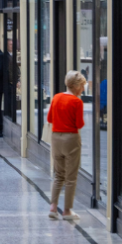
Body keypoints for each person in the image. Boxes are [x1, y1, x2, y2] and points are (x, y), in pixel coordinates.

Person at [47, 71, 86, 221]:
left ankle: (53, 207)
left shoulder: (56, 97)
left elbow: (50, 118)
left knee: (58, 175)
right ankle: (67, 210)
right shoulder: (77, 102)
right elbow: (79, 124)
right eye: (82, 86)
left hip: (56, 137)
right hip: (71, 139)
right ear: (77, 87)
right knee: (71, 177)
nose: (83, 89)